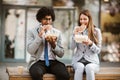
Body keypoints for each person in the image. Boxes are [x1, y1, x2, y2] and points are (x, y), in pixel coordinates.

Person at [26, 7, 70, 80]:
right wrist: (39, 36)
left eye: (50, 19)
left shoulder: (57, 33)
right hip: (38, 62)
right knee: (36, 74)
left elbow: (61, 54)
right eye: (45, 19)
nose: (48, 22)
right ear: (40, 19)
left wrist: (53, 44)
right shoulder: (32, 32)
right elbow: (30, 50)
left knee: (64, 75)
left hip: (53, 62)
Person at [70, 9, 102, 80]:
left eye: (85, 19)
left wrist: (91, 44)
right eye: (81, 19)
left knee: (89, 67)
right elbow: (72, 47)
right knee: (80, 67)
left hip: (93, 62)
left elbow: (98, 50)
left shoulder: (96, 31)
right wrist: (74, 35)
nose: (82, 21)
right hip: (78, 61)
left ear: (89, 19)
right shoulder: (76, 29)